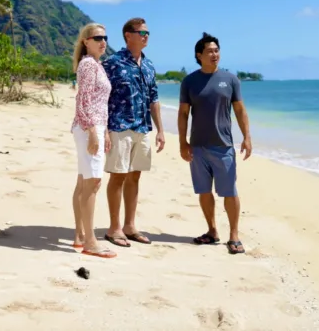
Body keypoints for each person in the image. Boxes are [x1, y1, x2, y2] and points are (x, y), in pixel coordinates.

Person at [177, 32, 252, 255]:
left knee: (230, 191)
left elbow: (239, 110)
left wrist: (247, 137)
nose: (214, 54)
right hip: (198, 147)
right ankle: (212, 231)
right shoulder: (189, 81)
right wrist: (183, 142)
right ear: (199, 55)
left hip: (223, 146)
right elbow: (183, 114)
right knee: (204, 191)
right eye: (209, 51)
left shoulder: (230, 79)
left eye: (216, 50)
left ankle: (234, 235)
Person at [101, 17, 165, 247]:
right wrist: (104, 130)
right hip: (119, 126)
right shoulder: (112, 63)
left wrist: (160, 130)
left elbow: (154, 98)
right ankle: (114, 228)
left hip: (142, 127)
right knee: (117, 175)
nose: (146, 36)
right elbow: (101, 98)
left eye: (148, 33)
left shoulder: (148, 65)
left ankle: (129, 226)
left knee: (135, 175)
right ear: (128, 35)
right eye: (142, 33)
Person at [70, 23, 116, 259]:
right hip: (88, 127)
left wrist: (104, 131)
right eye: (97, 37)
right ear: (85, 41)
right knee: (93, 182)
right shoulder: (89, 64)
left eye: (105, 38)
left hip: (94, 126)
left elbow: (101, 104)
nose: (103, 41)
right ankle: (90, 241)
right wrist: (93, 131)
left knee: (83, 182)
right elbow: (83, 100)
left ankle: (79, 236)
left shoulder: (97, 65)